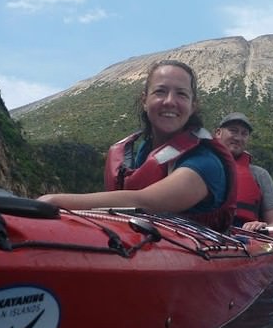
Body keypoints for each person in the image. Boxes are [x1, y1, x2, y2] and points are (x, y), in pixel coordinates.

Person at [38, 60, 236, 233]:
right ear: (144, 100)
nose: (169, 101)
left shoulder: (206, 163)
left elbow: (146, 202)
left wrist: (54, 201)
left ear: (193, 106)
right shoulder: (138, 154)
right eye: (160, 91)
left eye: (181, 94)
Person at [214, 112, 273, 237]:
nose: (238, 138)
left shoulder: (260, 175)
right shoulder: (199, 168)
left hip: (245, 238)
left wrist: (263, 228)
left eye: (244, 134)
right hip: (204, 235)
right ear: (218, 133)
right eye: (233, 131)